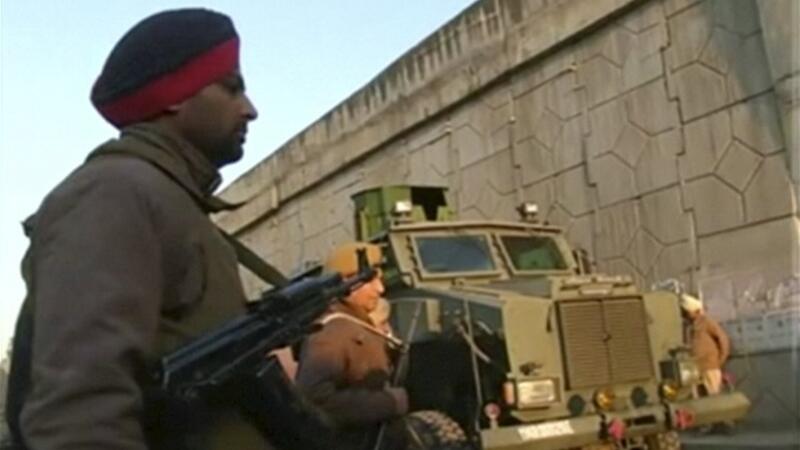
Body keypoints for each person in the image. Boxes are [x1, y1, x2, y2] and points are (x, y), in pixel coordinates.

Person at [5, 8, 272, 449]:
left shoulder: (170, 201)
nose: (250, 109)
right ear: (174, 94)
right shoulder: (114, 194)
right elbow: (80, 420)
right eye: (231, 87)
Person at [295, 242, 409, 450]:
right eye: (371, 281)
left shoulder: (356, 324)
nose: (381, 289)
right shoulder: (331, 332)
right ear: (348, 283)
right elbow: (315, 400)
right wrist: (389, 402)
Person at [680, 294, 731, 397]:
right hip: (693, 368)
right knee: (696, 398)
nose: (684, 314)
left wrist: (719, 360)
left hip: (709, 367)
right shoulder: (687, 326)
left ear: (694, 310)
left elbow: (723, 339)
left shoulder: (707, 322)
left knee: (713, 396)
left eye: (686, 311)